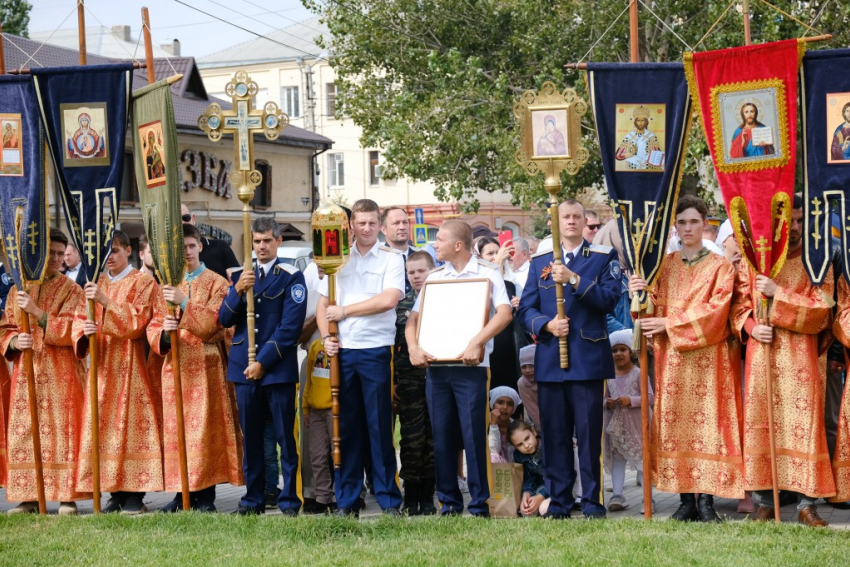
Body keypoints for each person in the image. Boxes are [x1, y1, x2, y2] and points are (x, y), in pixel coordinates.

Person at [629, 195, 742, 522]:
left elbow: (717, 312)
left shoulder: (720, 266)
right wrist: (637, 290)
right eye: (682, 222)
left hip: (708, 360)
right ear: (674, 227)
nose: (688, 227)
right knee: (676, 426)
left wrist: (669, 322)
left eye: (694, 221)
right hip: (673, 362)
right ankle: (684, 501)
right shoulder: (664, 265)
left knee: (707, 425)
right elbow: (646, 311)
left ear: (705, 223)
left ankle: (706, 501)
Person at [731, 194, 835, 526]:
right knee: (761, 423)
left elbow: (823, 311)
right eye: (792, 220)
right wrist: (750, 326)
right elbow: (737, 304)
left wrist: (778, 295)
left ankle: (806, 504)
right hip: (762, 356)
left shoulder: (818, 263)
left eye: (803, 221)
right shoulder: (755, 262)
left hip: (802, 359)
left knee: (804, 427)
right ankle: (763, 501)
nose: (797, 228)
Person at [517, 199, 621, 519]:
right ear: (555, 222)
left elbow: (609, 300)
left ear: (584, 220)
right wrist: (546, 325)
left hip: (587, 359)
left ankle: (591, 502)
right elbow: (526, 310)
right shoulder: (540, 262)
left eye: (577, 216)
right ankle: (560, 501)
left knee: (589, 438)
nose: (572, 221)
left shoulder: (603, 257)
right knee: (555, 436)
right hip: (550, 360)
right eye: (566, 217)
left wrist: (574, 279)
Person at [406, 219, 512, 517]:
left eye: (438, 239)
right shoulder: (434, 277)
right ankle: (449, 502)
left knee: (473, 436)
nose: (434, 244)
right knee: (441, 435)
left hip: (471, 367)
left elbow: (504, 314)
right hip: (437, 368)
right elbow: (414, 319)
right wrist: (414, 348)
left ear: (457, 245)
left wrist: (476, 342)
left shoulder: (488, 273)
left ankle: (479, 504)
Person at [317, 199, 404, 517]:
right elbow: (322, 303)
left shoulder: (391, 258)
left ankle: (388, 499)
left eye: (371, 223)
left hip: (374, 350)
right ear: (350, 225)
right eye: (360, 223)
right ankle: (348, 499)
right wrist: (326, 336)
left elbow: (389, 299)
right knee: (347, 428)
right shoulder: (336, 259)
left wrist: (345, 311)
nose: (366, 229)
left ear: (379, 226)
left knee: (379, 426)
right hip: (342, 351)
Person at [147, 223, 244, 512]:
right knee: (177, 431)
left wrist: (185, 303)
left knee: (203, 432)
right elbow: (153, 323)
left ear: (200, 247)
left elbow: (218, 325)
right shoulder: (166, 282)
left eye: (191, 246)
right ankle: (181, 494)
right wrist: (164, 331)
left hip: (206, 367)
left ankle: (205, 496)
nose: (187, 252)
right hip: (174, 366)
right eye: (182, 247)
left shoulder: (217, 282)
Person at [219, 217, 307, 515]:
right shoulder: (243, 276)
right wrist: (237, 291)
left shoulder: (291, 276)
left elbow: (289, 327)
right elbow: (224, 319)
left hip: (276, 369)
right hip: (243, 368)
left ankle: (289, 500)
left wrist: (262, 363)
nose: (261, 246)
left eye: (267, 240)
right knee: (252, 439)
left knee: (285, 437)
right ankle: (253, 499)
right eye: (256, 241)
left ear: (278, 241)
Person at [73, 230, 164, 514]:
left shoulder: (143, 281)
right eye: (105, 252)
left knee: (132, 428)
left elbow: (138, 323)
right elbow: (78, 318)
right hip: (100, 369)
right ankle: (114, 490)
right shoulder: (94, 282)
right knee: (104, 429)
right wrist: (82, 331)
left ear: (128, 250)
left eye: (114, 250)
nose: (109, 257)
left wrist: (105, 301)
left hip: (131, 367)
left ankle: (135, 493)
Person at [0, 229, 89, 515]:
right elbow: (6, 327)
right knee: (25, 432)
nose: (56, 258)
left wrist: (39, 315)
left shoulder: (72, 290)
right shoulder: (18, 289)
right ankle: (29, 498)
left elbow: (77, 331)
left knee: (64, 432)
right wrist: (14, 341)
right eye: (50, 252)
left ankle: (66, 497)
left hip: (62, 372)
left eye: (60, 254)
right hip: (26, 374)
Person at [393, 250, 437, 516]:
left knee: (433, 436)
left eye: (421, 271)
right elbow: (393, 346)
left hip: (436, 375)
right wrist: (393, 382)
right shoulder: (400, 304)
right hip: (408, 378)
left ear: (432, 270)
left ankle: (428, 495)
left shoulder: (442, 298)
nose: (416, 276)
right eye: (411, 272)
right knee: (411, 437)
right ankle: (410, 494)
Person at [603, 329, 652, 513]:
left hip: (637, 425)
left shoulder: (639, 373)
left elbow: (650, 397)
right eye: (614, 351)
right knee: (617, 460)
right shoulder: (608, 376)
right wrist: (605, 403)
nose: (618, 354)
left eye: (622, 349)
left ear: (630, 351)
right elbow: (603, 396)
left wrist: (630, 401)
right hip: (615, 427)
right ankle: (617, 494)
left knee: (641, 459)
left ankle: (647, 498)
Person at [474, 237, 521, 389]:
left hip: (508, 342)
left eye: (498, 252)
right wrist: (497, 266)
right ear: (479, 257)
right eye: (490, 253)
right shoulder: (478, 281)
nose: (495, 256)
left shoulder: (512, 283)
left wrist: (520, 306)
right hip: (487, 341)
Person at [181, 204, 240, 281]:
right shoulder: (165, 256)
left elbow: (237, 281)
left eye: (186, 218)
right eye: (176, 220)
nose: (182, 222)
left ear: (193, 218)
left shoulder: (220, 247)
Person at [507, 420, 550, 517]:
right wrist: (527, 493)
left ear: (533, 432)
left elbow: (559, 477)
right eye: (519, 445)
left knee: (544, 509)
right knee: (526, 511)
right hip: (542, 486)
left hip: (559, 486)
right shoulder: (519, 455)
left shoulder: (548, 446)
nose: (526, 446)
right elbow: (529, 477)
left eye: (527, 438)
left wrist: (541, 496)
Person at [615, 106, 662, 170]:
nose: (640, 123)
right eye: (638, 120)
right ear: (635, 122)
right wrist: (630, 154)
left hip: (648, 168)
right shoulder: (629, 136)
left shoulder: (652, 137)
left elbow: (657, 156)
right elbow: (618, 155)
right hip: (632, 168)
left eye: (642, 121)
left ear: (646, 122)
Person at [489, 386, 521, 463]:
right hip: (493, 469)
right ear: (492, 403)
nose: (505, 407)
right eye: (500, 402)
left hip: (514, 470)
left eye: (510, 404)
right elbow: (493, 452)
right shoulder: (484, 424)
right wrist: (493, 425)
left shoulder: (516, 425)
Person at [517, 345, 539, 429]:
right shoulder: (522, 383)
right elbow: (534, 412)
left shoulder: (550, 378)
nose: (528, 370)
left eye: (532, 365)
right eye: (524, 367)